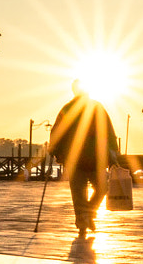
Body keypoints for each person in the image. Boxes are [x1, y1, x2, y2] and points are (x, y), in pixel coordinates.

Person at [47, 82, 122, 237]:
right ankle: (86, 219)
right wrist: (114, 150)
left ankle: (86, 217)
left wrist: (54, 149)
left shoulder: (70, 108)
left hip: (81, 158)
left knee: (80, 193)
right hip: (94, 158)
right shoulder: (95, 107)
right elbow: (109, 130)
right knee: (101, 188)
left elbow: (57, 132)